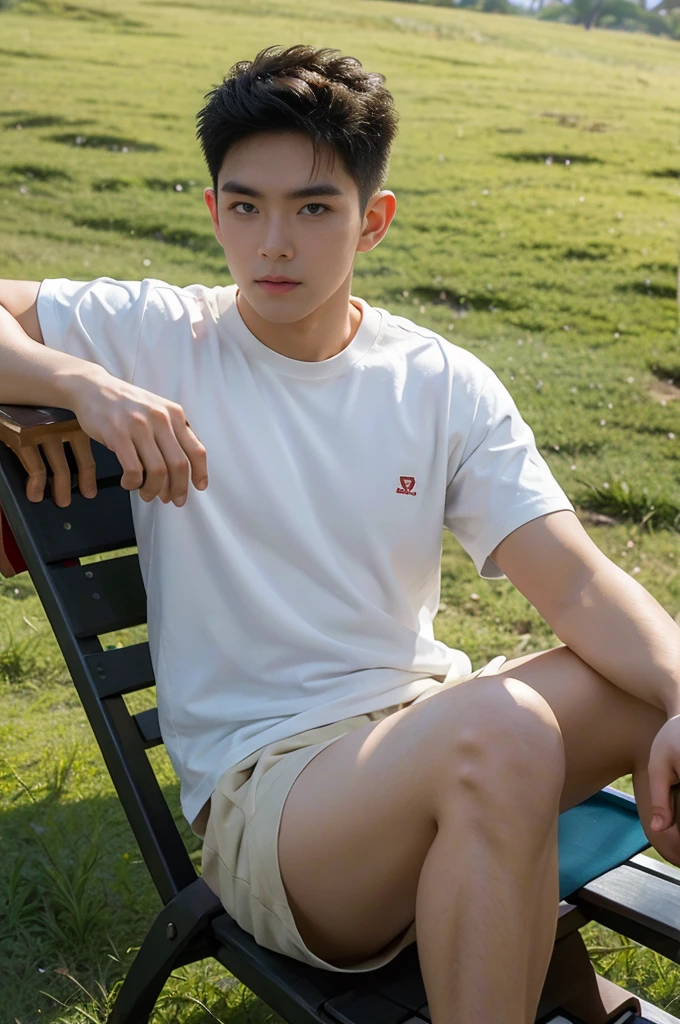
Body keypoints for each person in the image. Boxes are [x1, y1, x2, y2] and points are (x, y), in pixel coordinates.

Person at [0, 43, 679, 1024]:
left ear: (373, 221)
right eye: (246, 206)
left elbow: (572, 582)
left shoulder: (436, 379)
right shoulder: (157, 337)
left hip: (432, 730)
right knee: (501, 728)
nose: (273, 243)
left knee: (641, 679)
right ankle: (571, 993)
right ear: (213, 211)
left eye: (313, 207)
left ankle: (560, 982)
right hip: (276, 804)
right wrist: (80, 385)